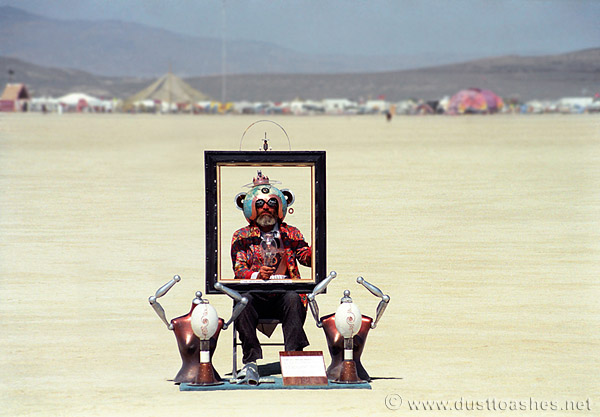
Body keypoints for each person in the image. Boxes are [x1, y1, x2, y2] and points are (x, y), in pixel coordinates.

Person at [231, 171, 311, 378]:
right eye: (260, 205)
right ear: (249, 207)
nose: (266, 209)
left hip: (284, 292)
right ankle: (250, 360)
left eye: (272, 204)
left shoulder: (291, 233)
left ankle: (294, 357)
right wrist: (257, 274)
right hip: (256, 293)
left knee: (294, 298)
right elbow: (239, 269)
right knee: (243, 301)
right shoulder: (242, 236)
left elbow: (305, 256)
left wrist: (317, 251)